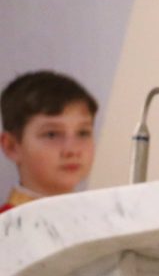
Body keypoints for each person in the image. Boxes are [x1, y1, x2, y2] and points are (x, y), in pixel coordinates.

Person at [1, 70, 97, 213]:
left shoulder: (106, 219)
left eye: (83, 133)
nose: (72, 150)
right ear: (12, 146)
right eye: (52, 134)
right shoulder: (5, 225)